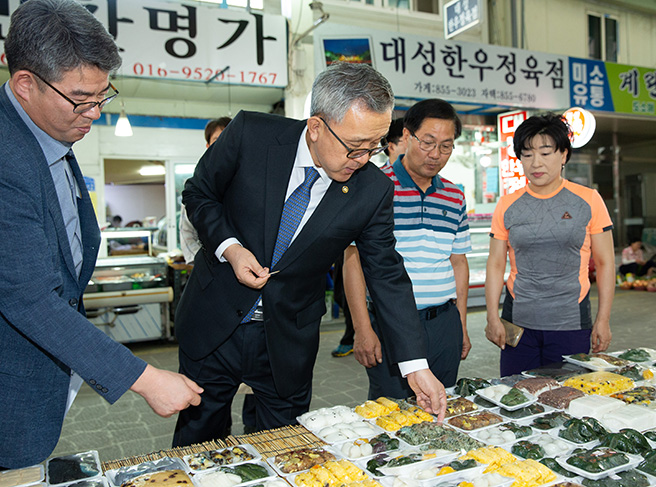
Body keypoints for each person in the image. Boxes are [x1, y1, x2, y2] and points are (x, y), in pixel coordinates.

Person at [173, 62, 447, 447]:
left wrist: (415, 366)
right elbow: (199, 194)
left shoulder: (373, 190)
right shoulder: (252, 134)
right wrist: (230, 249)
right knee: (199, 441)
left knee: (285, 447)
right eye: (354, 147)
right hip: (214, 320)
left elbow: (386, 272)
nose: (363, 159)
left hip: (288, 336)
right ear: (316, 127)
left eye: (373, 147)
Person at [0, 0, 202, 469]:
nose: (94, 112)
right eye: (80, 99)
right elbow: (28, 298)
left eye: (102, 95)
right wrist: (147, 378)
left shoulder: (51, 134)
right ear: (25, 84)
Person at [344, 99, 471, 399]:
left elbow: (459, 263)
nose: (435, 154)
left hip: (443, 323)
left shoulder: (454, 195)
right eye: (427, 142)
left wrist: (461, 325)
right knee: (392, 410)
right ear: (405, 136)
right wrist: (362, 328)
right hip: (391, 324)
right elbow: (352, 259)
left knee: (444, 404)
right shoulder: (373, 186)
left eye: (446, 146)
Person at [484, 113, 615, 377]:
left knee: (568, 397)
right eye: (528, 154)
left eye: (545, 153)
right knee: (516, 395)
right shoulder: (507, 204)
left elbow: (605, 263)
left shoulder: (588, 200)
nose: (536, 163)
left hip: (570, 321)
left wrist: (603, 320)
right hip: (518, 324)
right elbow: (496, 264)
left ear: (564, 155)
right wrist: (491, 317)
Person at [331, 117, 407, 358]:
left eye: (373, 147)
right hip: (372, 293)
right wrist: (362, 328)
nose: (364, 157)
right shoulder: (369, 183)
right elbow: (352, 255)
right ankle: (350, 333)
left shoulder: (447, 192)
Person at [180, 116, 231, 265]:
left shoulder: (251, 181)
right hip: (208, 268)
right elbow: (186, 233)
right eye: (217, 140)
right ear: (208, 146)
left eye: (229, 138)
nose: (224, 144)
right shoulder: (198, 186)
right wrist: (201, 264)